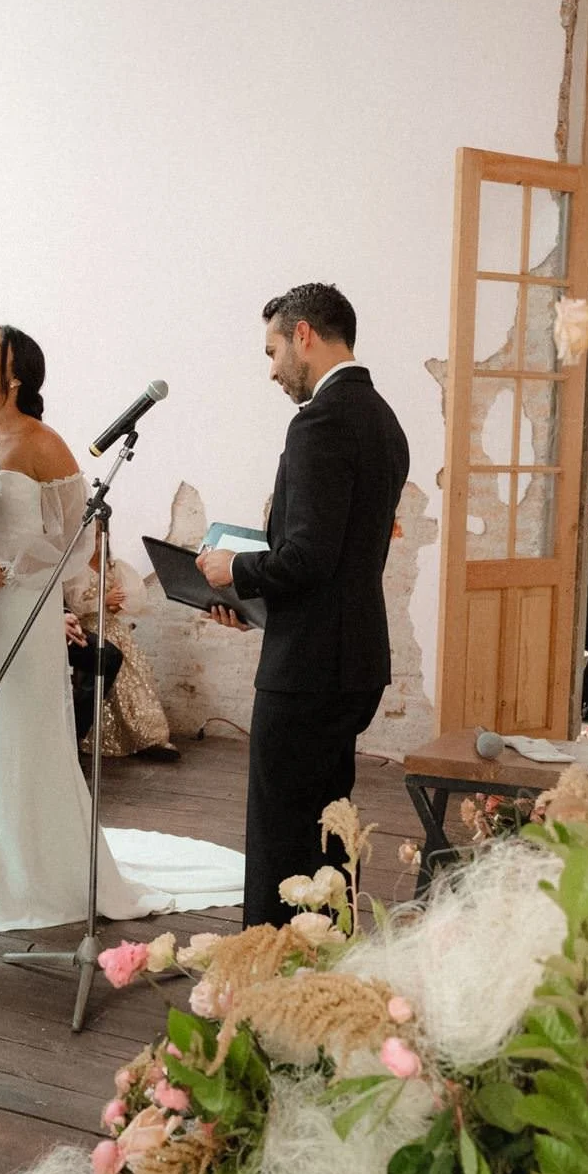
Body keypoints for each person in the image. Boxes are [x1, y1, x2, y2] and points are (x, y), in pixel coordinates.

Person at [0, 325, 239, 935]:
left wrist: (22, 575)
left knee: (20, 739)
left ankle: (35, 873)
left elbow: (79, 539)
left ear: (17, 373)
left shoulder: (43, 442)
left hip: (19, 610)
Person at [197, 283, 409, 926]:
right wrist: (254, 602)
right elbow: (338, 562)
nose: (271, 370)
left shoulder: (318, 422)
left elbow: (307, 559)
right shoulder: (382, 417)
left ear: (305, 336)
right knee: (328, 822)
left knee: (280, 836)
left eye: (273, 350)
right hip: (354, 655)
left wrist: (233, 568)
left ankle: (269, 974)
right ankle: (328, 950)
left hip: (309, 667)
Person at [66, 544, 179, 760]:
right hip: (88, 625)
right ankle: (91, 733)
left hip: (112, 626)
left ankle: (146, 735)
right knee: (107, 660)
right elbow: (76, 606)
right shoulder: (75, 569)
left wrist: (116, 605)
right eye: (93, 535)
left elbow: (130, 598)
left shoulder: (113, 567)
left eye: (100, 534)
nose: (96, 541)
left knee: (133, 673)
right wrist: (103, 601)